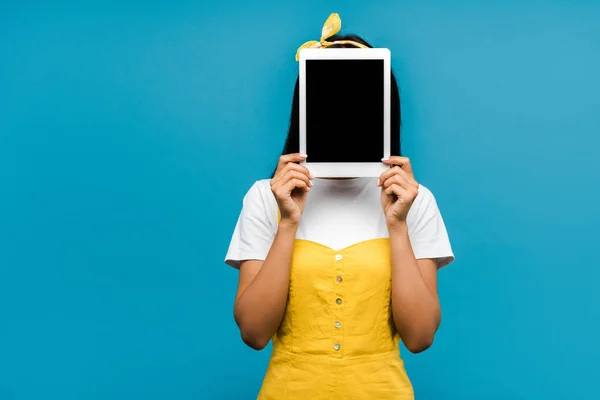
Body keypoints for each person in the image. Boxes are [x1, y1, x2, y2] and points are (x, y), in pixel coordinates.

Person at [224, 13, 454, 400]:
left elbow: (420, 337)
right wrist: (286, 223)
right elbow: (254, 333)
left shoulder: (415, 200)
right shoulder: (265, 197)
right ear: (307, 108)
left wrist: (397, 226)